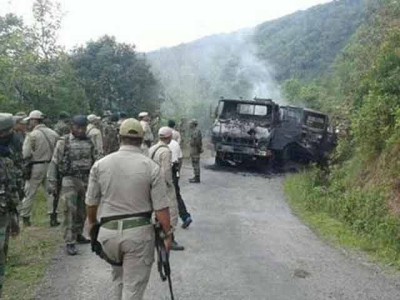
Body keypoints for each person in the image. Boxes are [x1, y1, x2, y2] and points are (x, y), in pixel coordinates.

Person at [86, 118, 172, 299]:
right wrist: (168, 235)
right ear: (141, 140)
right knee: (133, 289)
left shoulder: (100, 165)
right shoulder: (151, 167)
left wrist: (93, 225)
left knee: (118, 279)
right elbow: (161, 209)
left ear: (119, 138)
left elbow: (91, 203)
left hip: (108, 235)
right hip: (137, 236)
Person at [47, 115, 96, 255]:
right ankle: (70, 241)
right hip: (69, 179)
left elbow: (95, 160)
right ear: (72, 127)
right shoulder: (64, 142)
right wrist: (52, 181)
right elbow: (55, 162)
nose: (80, 130)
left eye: (83, 128)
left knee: (82, 210)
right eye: (77, 127)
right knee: (69, 211)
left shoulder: (89, 142)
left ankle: (78, 233)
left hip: (85, 179)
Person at [20, 110, 59, 227]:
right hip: (51, 166)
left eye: (30, 121)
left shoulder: (32, 135)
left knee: (29, 192)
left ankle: (25, 218)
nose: (29, 123)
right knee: (51, 192)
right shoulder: (54, 133)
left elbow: (25, 154)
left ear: (34, 120)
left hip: (36, 166)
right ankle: (53, 217)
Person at [149, 127, 184, 251]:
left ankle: (154, 237)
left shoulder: (152, 148)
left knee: (155, 211)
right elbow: (166, 171)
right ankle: (170, 238)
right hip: (162, 185)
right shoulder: (166, 151)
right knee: (171, 211)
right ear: (169, 137)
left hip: (152, 183)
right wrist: (170, 185)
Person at [0, 113, 21, 297]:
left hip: (4, 216)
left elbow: (11, 190)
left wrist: (14, 218)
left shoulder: (6, 157)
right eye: (9, 131)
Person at [169, 137, 192, 229]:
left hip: (164, 171)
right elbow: (180, 159)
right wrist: (178, 172)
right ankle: (185, 217)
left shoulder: (157, 147)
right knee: (176, 195)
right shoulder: (175, 144)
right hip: (175, 170)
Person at [189, 119, 203, 183]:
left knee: (195, 163)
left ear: (193, 124)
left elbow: (197, 142)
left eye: (191, 123)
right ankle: (196, 176)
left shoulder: (196, 131)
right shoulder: (195, 131)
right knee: (194, 163)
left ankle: (197, 178)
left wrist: (199, 149)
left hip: (195, 149)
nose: (189, 124)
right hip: (194, 148)